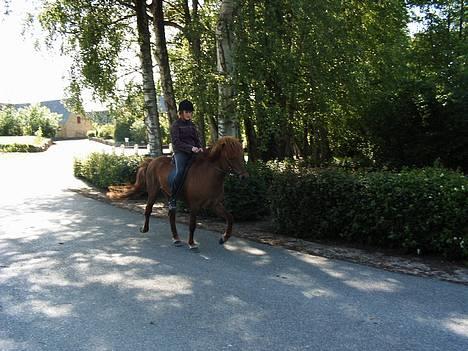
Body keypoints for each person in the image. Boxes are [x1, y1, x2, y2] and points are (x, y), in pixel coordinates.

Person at [168, 99, 203, 211]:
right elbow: (176, 142)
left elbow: (196, 139)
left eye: (190, 112)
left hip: (194, 151)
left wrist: (199, 147)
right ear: (181, 113)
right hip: (181, 152)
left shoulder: (192, 125)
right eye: (186, 112)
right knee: (180, 172)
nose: (189, 114)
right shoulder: (175, 125)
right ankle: (172, 199)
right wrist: (190, 148)